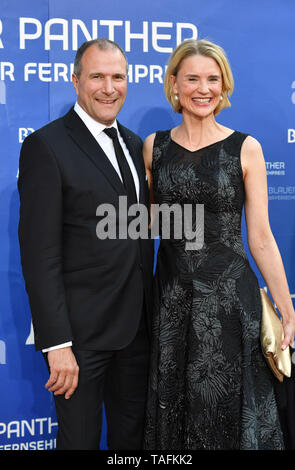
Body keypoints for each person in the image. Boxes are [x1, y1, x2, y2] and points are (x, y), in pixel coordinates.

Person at [142, 38, 295, 450]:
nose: (203, 89)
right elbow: (152, 223)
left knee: (229, 406)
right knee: (178, 409)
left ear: (224, 86)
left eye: (213, 79)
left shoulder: (246, 148)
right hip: (173, 299)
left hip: (231, 302)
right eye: (192, 78)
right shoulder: (153, 147)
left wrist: (285, 304)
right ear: (174, 84)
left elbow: (261, 236)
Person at [18, 38, 153, 450]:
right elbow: (40, 255)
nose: (108, 88)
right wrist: (57, 344)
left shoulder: (134, 144)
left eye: (118, 77)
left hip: (135, 331)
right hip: (78, 339)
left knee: (132, 441)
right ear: (75, 80)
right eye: (97, 76)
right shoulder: (46, 145)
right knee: (79, 440)